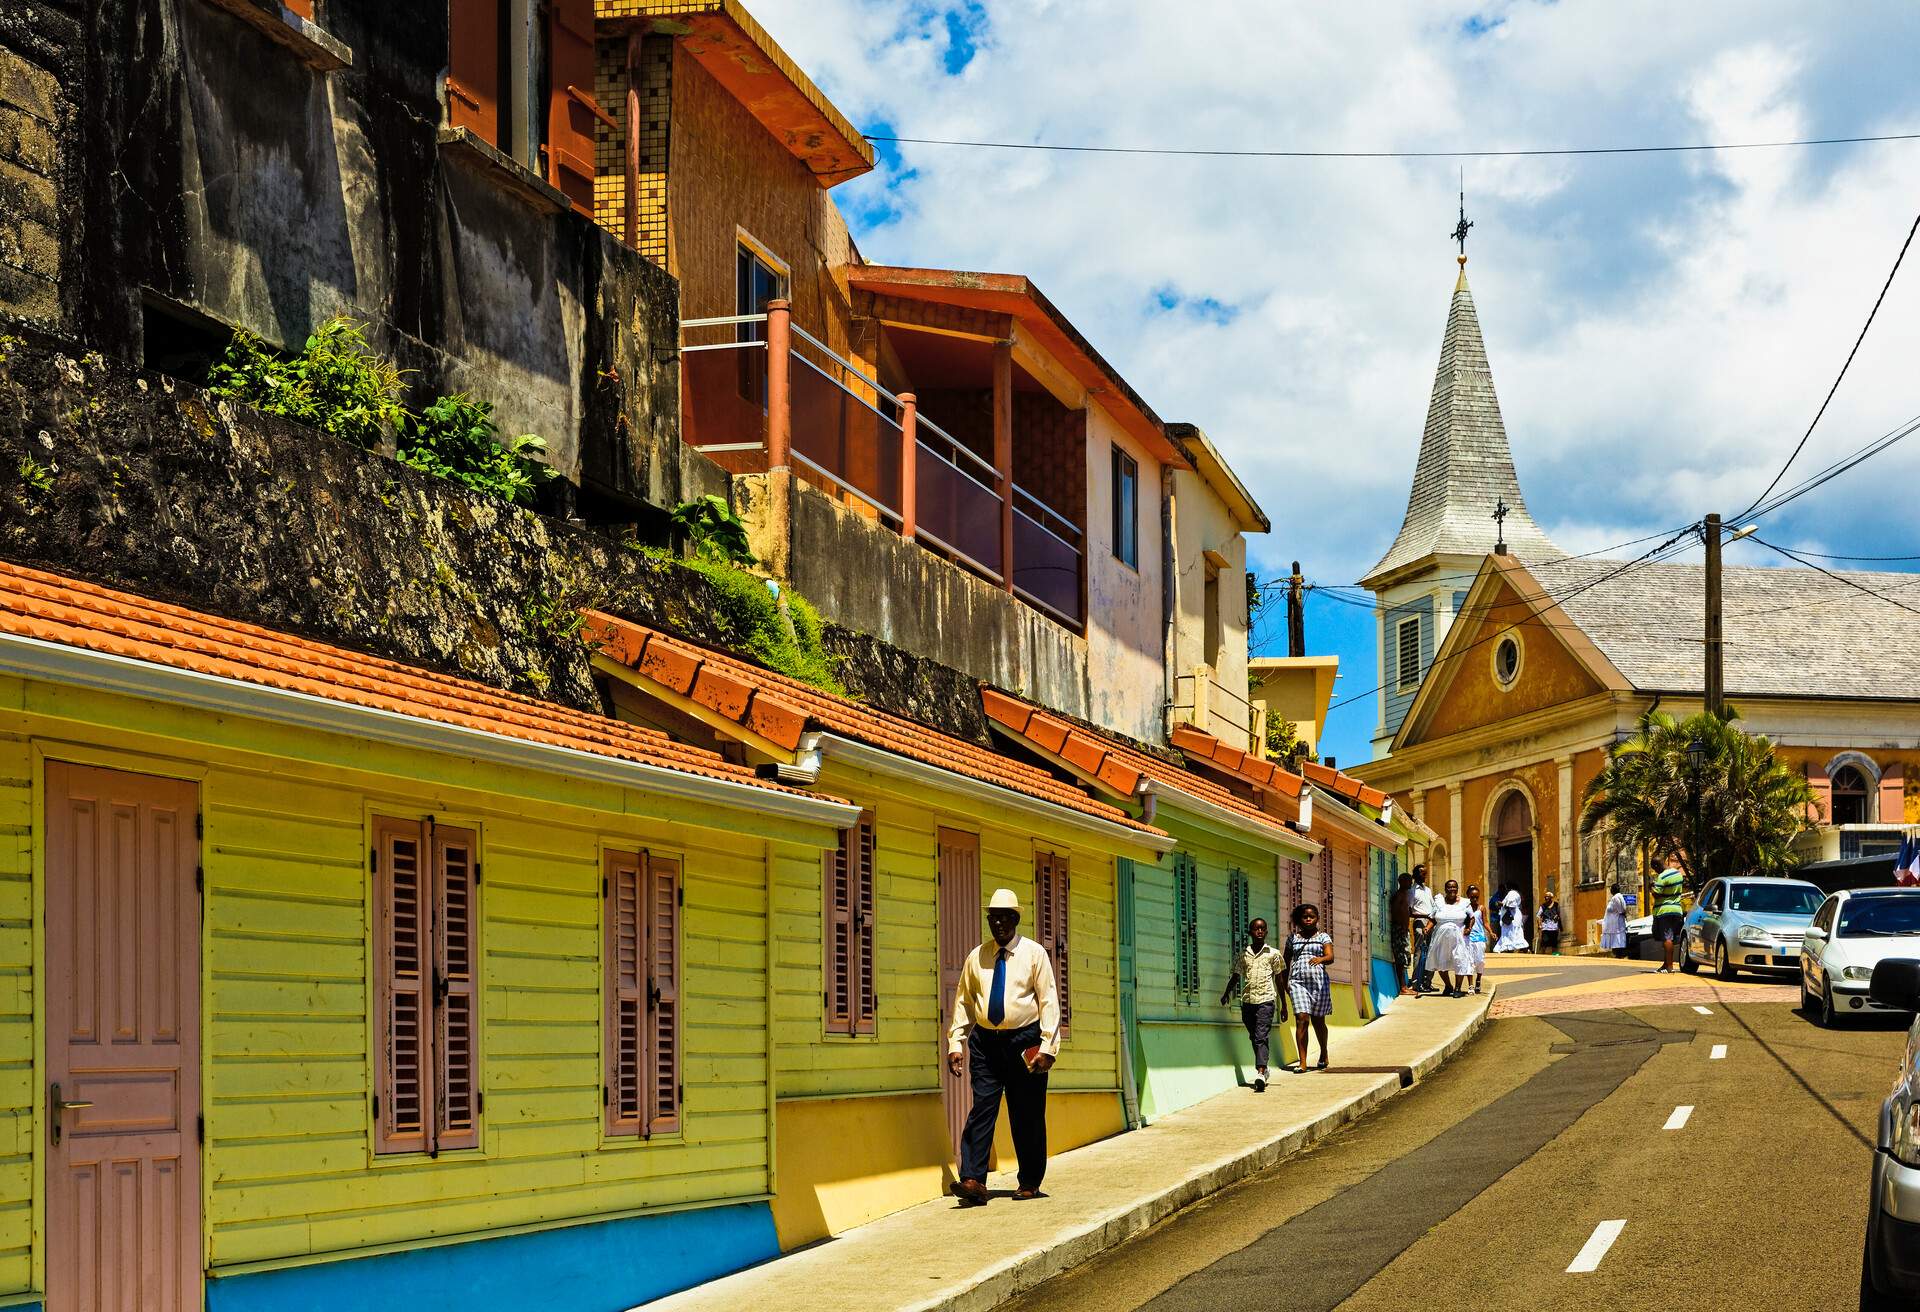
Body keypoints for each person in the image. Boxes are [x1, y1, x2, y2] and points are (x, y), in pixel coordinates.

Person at [947, 888, 1059, 1206]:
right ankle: (972, 1179)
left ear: (1015, 919)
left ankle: (1029, 1181)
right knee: (983, 1108)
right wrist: (956, 1042)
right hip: (986, 1043)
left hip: (1025, 1040)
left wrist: (1048, 1048)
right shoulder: (977, 956)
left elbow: (1049, 1000)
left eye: (1004, 917)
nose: (998, 924)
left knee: (1027, 1113)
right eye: (993, 918)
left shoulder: (1034, 954)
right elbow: (964, 1002)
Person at [1221, 916, 1286, 1090]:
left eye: (1262, 929)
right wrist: (1226, 993)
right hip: (1248, 1001)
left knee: (1261, 1036)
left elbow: (1279, 980)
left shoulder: (1273, 954)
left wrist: (1284, 1006)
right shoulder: (1243, 955)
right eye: (1256, 929)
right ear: (1250, 932)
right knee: (1254, 1037)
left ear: (1266, 932)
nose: (1259, 931)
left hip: (1266, 1000)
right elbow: (1235, 976)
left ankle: (1260, 1071)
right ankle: (1263, 1069)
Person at [1284, 904, 1336, 1071]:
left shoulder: (1323, 937)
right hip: (1298, 982)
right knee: (1302, 1019)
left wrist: (1320, 959)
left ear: (1317, 919)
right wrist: (1285, 982)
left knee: (1318, 1021)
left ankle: (1323, 1052)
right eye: (1304, 917)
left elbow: (1330, 956)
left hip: (1318, 983)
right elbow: (1286, 961)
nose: (1308, 919)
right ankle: (1303, 1062)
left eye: (1311, 916)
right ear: (1299, 919)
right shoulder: (1293, 938)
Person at [1427, 879, 1474, 997]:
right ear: (1445, 889)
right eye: (1449, 887)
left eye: (1454, 887)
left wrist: (1469, 928)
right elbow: (1432, 918)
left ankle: (1457, 988)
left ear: (1457, 889)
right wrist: (1427, 927)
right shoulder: (1439, 902)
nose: (1452, 889)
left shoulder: (1465, 903)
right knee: (1440, 962)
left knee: (1460, 960)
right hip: (1440, 937)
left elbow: (1471, 917)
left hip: (1459, 937)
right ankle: (1448, 986)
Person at [1652, 855, 1688, 973]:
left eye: (1655, 868)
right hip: (1677, 909)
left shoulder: (1662, 877)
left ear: (1657, 865)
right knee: (1669, 938)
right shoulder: (1677, 873)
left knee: (1667, 938)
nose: (1655, 871)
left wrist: (1651, 887)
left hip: (1664, 911)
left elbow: (1657, 894)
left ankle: (1669, 966)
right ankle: (1665, 964)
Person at [1409, 865, 1437, 994]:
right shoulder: (1412, 890)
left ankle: (1427, 982)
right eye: (1421, 873)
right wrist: (1425, 916)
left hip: (1431, 922)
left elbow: (1432, 907)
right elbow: (1410, 911)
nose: (1424, 876)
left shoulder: (1428, 890)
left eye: (1425, 873)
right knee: (1419, 952)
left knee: (1431, 953)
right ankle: (1416, 982)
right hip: (1420, 922)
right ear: (1415, 875)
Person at [1389, 874, 1414, 993]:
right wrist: (1401, 926)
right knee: (1400, 958)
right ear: (1401, 882)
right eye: (1408, 881)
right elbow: (1395, 912)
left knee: (1405, 958)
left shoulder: (1405, 895)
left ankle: (1405, 985)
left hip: (1403, 930)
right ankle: (1403, 987)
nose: (1410, 883)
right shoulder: (1399, 895)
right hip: (1399, 930)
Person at [1465, 885, 1488, 993]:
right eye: (1472, 897)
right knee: (1469, 961)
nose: (1474, 899)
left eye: (1476, 897)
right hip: (1468, 938)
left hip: (1479, 938)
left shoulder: (1482, 908)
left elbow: (1485, 922)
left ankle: (1478, 979)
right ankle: (1470, 985)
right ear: (1468, 896)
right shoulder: (1465, 908)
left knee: (1480, 961)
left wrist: (1491, 932)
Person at [1493, 886, 1528, 952]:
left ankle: (1514, 948)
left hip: (1512, 916)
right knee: (1513, 932)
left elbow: (1511, 905)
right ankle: (1511, 948)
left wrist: (1502, 904)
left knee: (1512, 932)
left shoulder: (1512, 893)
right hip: (1513, 916)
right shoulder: (1514, 894)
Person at [1601, 882, 1629, 958]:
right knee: (1616, 937)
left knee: (1617, 937)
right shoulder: (1616, 897)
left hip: (1616, 923)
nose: (1610, 890)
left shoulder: (1616, 898)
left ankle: (1619, 953)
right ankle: (1617, 953)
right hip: (1614, 923)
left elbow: (1621, 910)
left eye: (1611, 889)